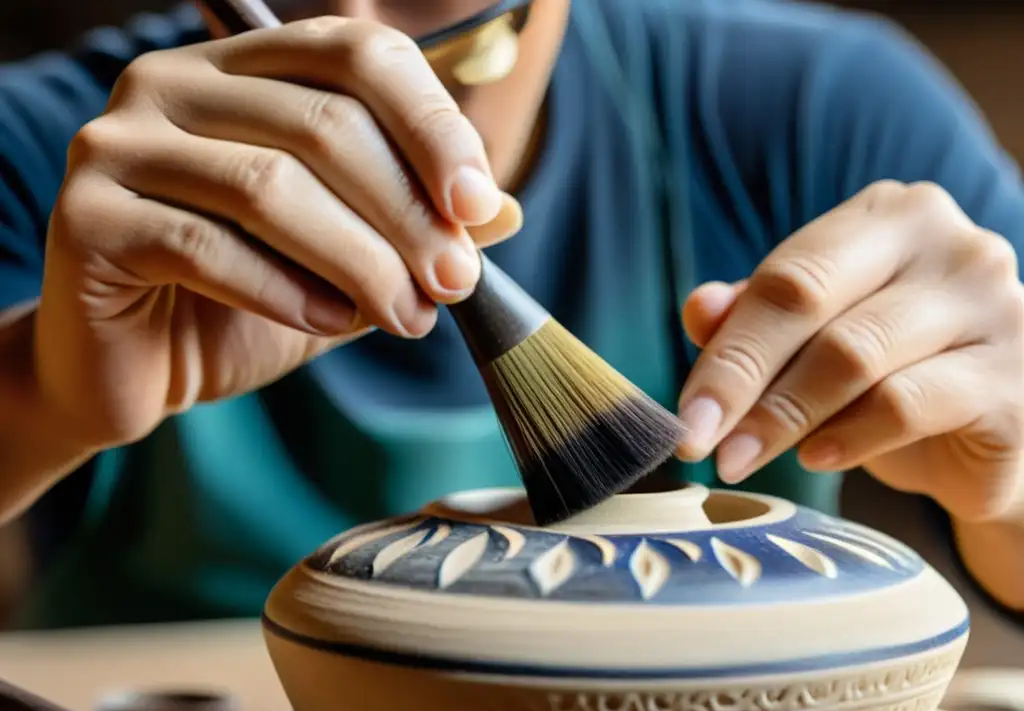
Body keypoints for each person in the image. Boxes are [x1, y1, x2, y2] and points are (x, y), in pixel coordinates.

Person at [0, 0, 1021, 631]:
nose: (359, 41)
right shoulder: (55, 155)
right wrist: (36, 398)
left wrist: (1011, 482)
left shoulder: (816, 112)